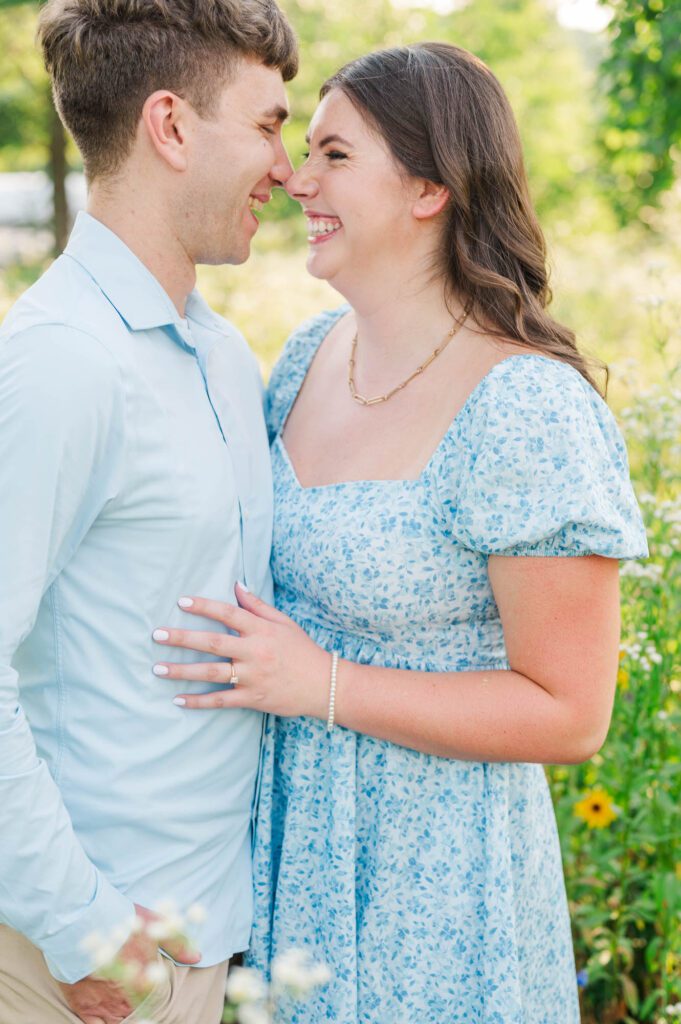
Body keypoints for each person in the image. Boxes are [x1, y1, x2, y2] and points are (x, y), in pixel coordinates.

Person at [152, 44, 648, 1023]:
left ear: (430, 186)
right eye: (303, 149)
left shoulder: (526, 407)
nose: (297, 176)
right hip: (290, 860)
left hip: (439, 880)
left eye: (334, 154)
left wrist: (322, 684)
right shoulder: (303, 360)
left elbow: (571, 713)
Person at [0, 0, 297, 1021]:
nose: (288, 168)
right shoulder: (61, 363)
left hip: (200, 945)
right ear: (171, 126)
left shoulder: (218, 352)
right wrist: (83, 929)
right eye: (267, 124)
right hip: (76, 966)